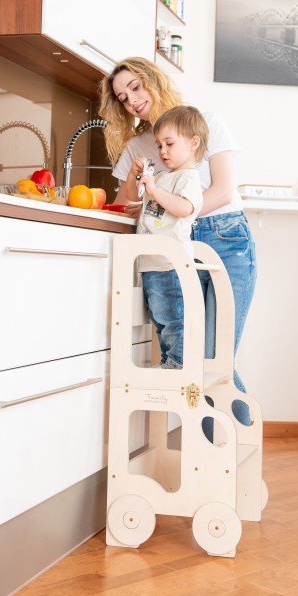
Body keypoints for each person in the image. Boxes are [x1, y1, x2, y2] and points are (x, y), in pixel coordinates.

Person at [99, 57, 257, 427]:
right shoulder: (138, 146)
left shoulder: (204, 122)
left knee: (215, 358)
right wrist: (136, 179)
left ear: (153, 80)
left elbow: (222, 191)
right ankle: (216, 451)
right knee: (191, 359)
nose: (132, 100)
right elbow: (124, 205)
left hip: (225, 237)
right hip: (173, 248)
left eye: (135, 87)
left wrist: (174, 214)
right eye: (122, 97)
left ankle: (234, 446)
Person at [122, 106, 207, 369]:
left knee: (174, 320)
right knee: (161, 320)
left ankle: (179, 365)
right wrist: (134, 175)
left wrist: (154, 190)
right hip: (152, 264)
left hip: (171, 265)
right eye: (159, 145)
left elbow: (184, 208)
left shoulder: (188, 179)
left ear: (193, 143)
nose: (163, 151)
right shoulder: (160, 177)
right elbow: (132, 195)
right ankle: (170, 362)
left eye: (169, 144)